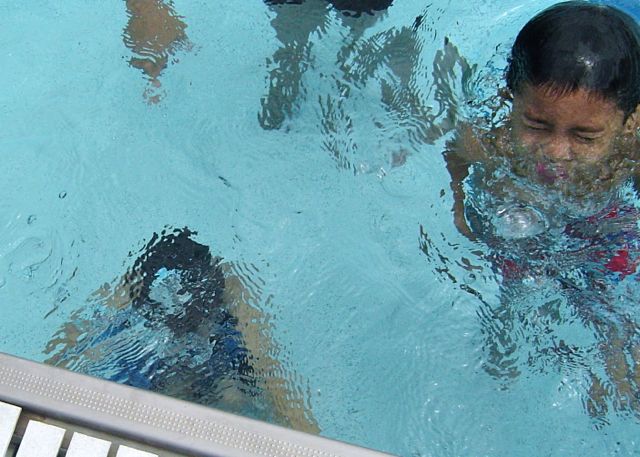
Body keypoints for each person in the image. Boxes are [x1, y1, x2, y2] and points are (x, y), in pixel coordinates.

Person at [442, 1, 640, 422]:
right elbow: (456, 154)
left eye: (585, 136)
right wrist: (458, 208)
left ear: (631, 122)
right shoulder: (489, 142)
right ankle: (506, 338)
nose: (556, 152)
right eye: (536, 125)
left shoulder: (633, 154)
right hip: (524, 211)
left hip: (604, 222)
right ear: (509, 98)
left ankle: (616, 344)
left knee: (619, 291)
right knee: (516, 269)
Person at [44, 228, 319, 433]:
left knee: (234, 398)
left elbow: (285, 399)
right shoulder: (123, 304)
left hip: (215, 360)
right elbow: (54, 367)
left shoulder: (234, 304)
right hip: (146, 355)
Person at [123, 0, 192, 103]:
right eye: (132, 2)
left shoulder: (165, 16)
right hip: (156, 58)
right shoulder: (135, 30)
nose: (137, 5)